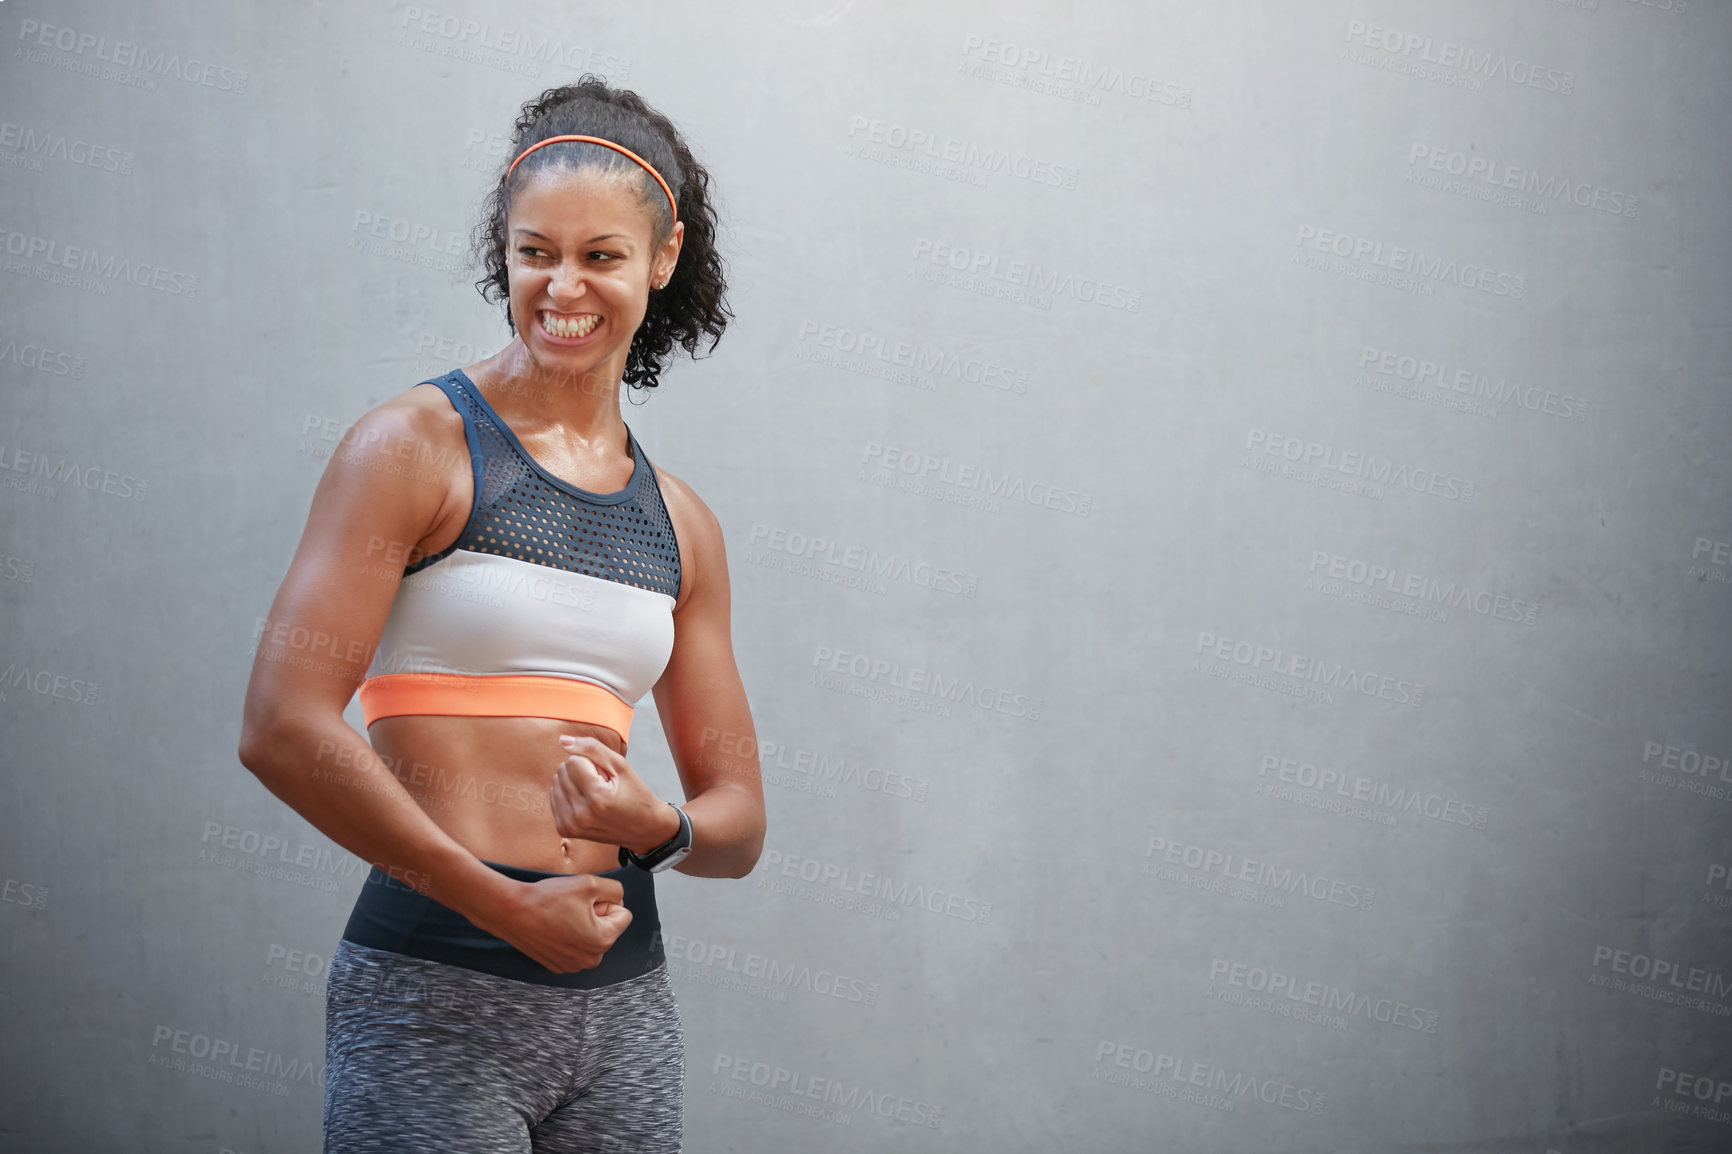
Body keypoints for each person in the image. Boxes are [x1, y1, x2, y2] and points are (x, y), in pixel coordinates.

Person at [237, 76, 764, 1153]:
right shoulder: (414, 447)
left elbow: (738, 820)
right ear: (506, 254)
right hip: (434, 990)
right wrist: (499, 905)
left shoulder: (682, 524)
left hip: (624, 1009)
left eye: (601, 255)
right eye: (535, 252)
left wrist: (657, 830)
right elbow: (281, 728)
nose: (562, 286)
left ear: (660, 261)